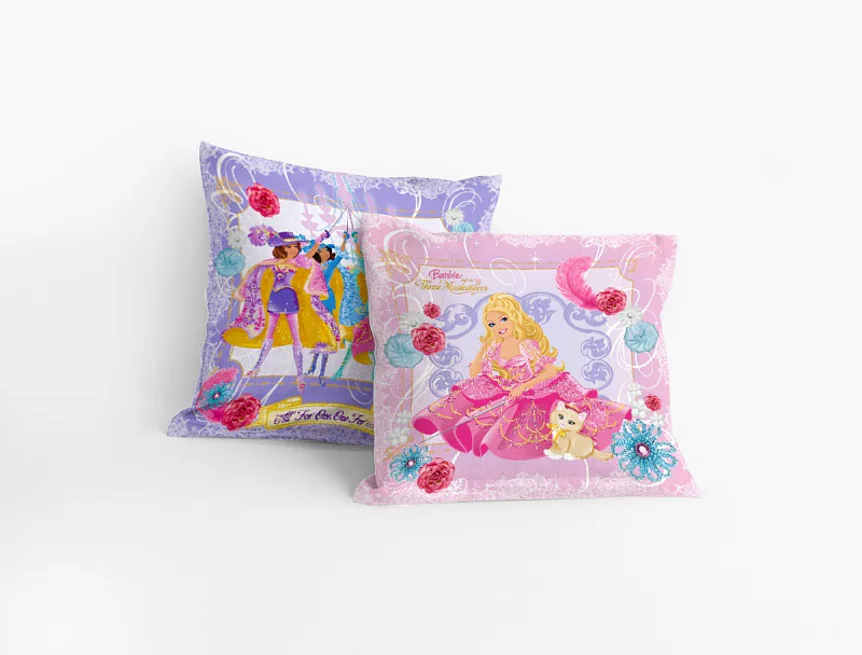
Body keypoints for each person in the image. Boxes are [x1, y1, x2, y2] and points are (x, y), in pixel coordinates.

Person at [412, 293, 631, 460]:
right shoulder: (495, 346)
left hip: (532, 388)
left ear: (514, 318)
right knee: (472, 388)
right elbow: (475, 373)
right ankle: (443, 423)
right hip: (506, 386)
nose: (499, 327)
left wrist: (523, 387)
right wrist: (484, 345)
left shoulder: (525, 344)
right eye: (492, 324)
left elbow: (549, 371)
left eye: (503, 319)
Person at [222, 228, 336, 392]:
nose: (293, 250)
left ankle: (299, 375)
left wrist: (318, 241)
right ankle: (257, 367)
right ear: (281, 248)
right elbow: (258, 272)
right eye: (289, 247)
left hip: (290, 299)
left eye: (295, 247)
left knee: (296, 338)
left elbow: (309, 255)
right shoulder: (272, 263)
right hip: (274, 300)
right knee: (268, 336)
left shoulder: (298, 262)